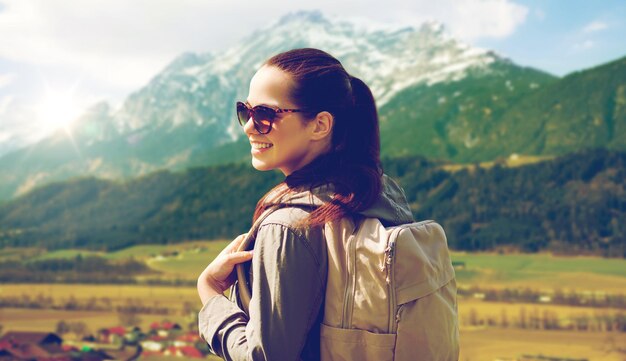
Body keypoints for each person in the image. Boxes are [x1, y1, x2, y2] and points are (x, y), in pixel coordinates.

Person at [196, 48, 416, 360]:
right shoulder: (381, 196)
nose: (248, 127)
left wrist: (210, 292)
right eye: (246, 111)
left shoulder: (287, 227)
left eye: (265, 115)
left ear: (320, 125)